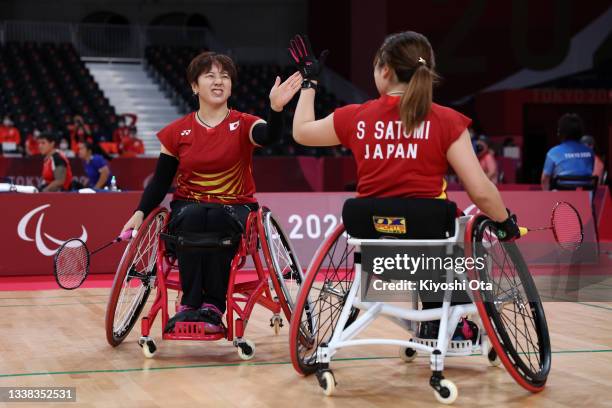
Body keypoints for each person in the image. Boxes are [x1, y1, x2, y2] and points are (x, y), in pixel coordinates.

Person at [289, 32, 520, 341]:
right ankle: (449, 322)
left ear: (385, 70)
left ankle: (435, 320)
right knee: (457, 235)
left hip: (377, 254)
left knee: (427, 233)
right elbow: (480, 191)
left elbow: (302, 132)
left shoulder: (356, 117)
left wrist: (310, 83)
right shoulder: (446, 120)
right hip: (429, 251)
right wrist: (505, 223)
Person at [120, 51, 302, 333]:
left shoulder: (243, 124)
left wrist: (275, 110)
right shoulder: (176, 132)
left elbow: (269, 136)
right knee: (193, 217)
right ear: (194, 86)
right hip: (188, 208)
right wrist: (139, 213)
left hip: (234, 210)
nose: (219, 81)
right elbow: (159, 182)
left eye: (225, 76)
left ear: (231, 86)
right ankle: (190, 306)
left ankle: (213, 306)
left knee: (214, 218)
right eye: (210, 76)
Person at [541, 113, 594, 190]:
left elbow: (544, 179)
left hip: (560, 198)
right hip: (585, 197)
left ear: (561, 132)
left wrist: (547, 198)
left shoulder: (553, 153)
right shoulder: (590, 152)